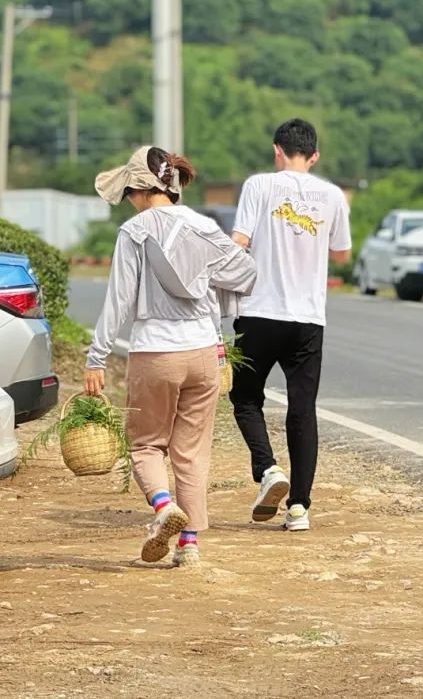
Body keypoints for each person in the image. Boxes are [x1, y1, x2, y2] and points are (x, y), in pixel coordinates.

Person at [85, 145, 256, 567]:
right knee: (192, 451)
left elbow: (119, 301)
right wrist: (205, 279)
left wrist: (96, 357)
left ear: (139, 189)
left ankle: (164, 508)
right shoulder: (204, 226)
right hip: (203, 354)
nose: (129, 200)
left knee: (146, 445)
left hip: (155, 353)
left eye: (129, 192)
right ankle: (189, 546)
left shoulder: (134, 232)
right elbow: (243, 273)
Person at [229, 118, 351, 532]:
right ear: (314, 156)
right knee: (302, 409)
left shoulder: (259, 186)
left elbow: (239, 242)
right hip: (308, 319)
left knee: (246, 398)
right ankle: (299, 507)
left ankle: (267, 469)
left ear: (276, 150)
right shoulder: (332, 195)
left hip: (258, 312)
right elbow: (341, 254)